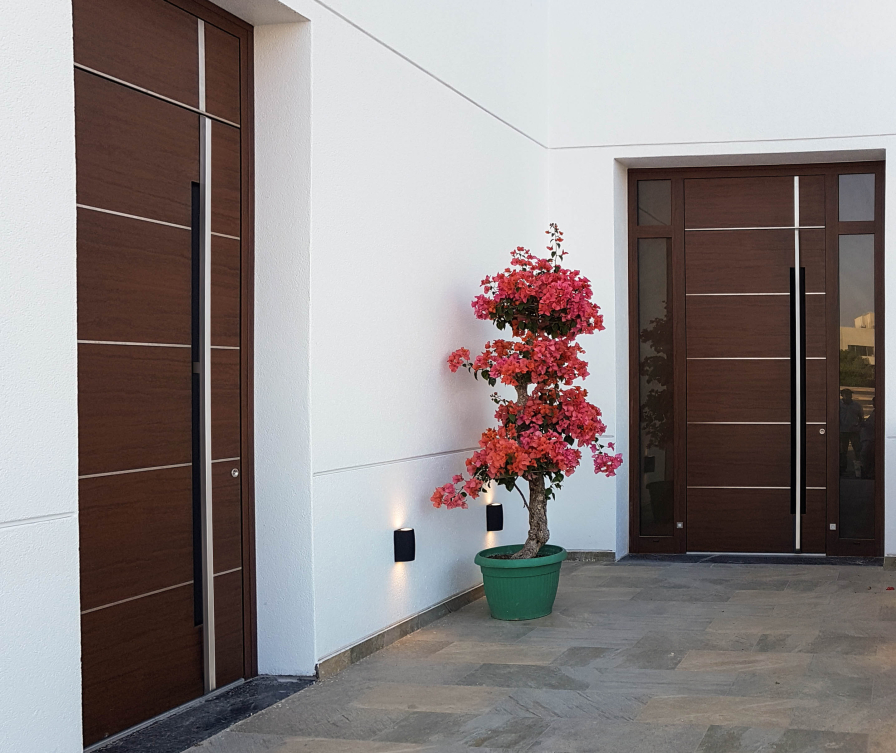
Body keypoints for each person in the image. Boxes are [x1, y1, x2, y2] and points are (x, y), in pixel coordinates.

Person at [839, 388, 864, 477]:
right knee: (842, 451)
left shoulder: (856, 405)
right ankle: (842, 469)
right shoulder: (838, 405)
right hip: (842, 431)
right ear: (842, 395)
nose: (849, 396)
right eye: (847, 394)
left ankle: (860, 469)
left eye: (850, 394)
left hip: (854, 431)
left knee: (857, 449)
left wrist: (859, 426)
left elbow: (861, 417)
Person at [860, 396, 875, 479]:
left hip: (871, 439)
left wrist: (864, 424)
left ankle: (869, 472)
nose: (873, 404)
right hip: (868, 438)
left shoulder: (879, 412)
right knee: (866, 455)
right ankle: (868, 472)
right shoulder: (874, 412)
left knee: (865, 454)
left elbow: (873, 425)